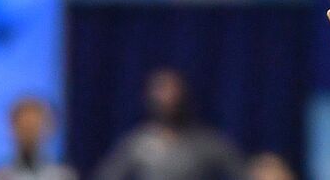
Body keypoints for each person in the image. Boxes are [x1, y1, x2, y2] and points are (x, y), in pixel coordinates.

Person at [92, 69, 243, 180]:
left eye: (173, 93)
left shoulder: (207, 142)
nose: (168, 100)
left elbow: (239, 171)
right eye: (162, 93)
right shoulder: (137, 143)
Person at [0, 97, 77, 180]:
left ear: (50, 129)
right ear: (12, 128)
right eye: (24, 127)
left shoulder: (63, 176)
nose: (29, 134)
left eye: (35, 127)